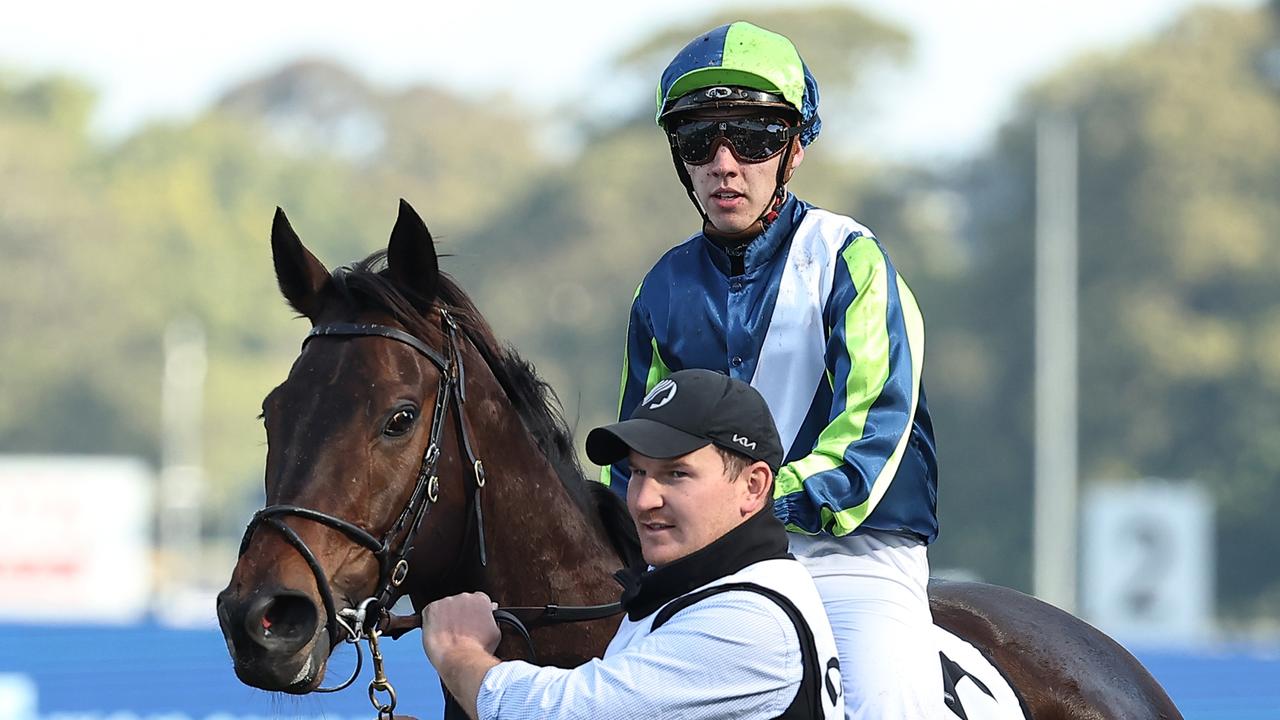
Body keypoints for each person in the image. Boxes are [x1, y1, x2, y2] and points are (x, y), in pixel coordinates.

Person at [602, 21, 943, 719]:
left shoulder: (851, 258)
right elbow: (637, 459)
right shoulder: (659, 290)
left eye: (753, 138)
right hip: (708, 563)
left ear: (795, 150)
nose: (725, 163)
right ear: (682, 159)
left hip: (852, 560)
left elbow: (872, 436)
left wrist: (746, 511)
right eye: (701, 141)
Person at [422, 369, 843, 720]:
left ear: (753, 487)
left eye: (676, 474)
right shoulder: (694, 587)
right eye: (638, 473)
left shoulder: (750, 621)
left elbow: (569, 712)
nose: (642, 500)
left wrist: (459, 653)